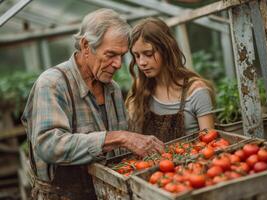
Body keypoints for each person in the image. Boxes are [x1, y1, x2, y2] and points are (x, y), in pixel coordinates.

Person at [21, 9, 164, 200]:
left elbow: (120, 154)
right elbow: (48, 145)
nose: (118, 64)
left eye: (122, 55)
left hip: (106, 192)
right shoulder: (53, 83)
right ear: (86, 46)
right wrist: (118, 137)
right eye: (111, 54)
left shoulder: (112, 89)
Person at [126, 17, 215, 142]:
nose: (141, 62)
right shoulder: (140, 87)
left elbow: (210, 145)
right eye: (137, 55)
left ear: (166, 50)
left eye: (148, 54)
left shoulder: (196, 91)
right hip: (150, 161)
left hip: (192, 160)